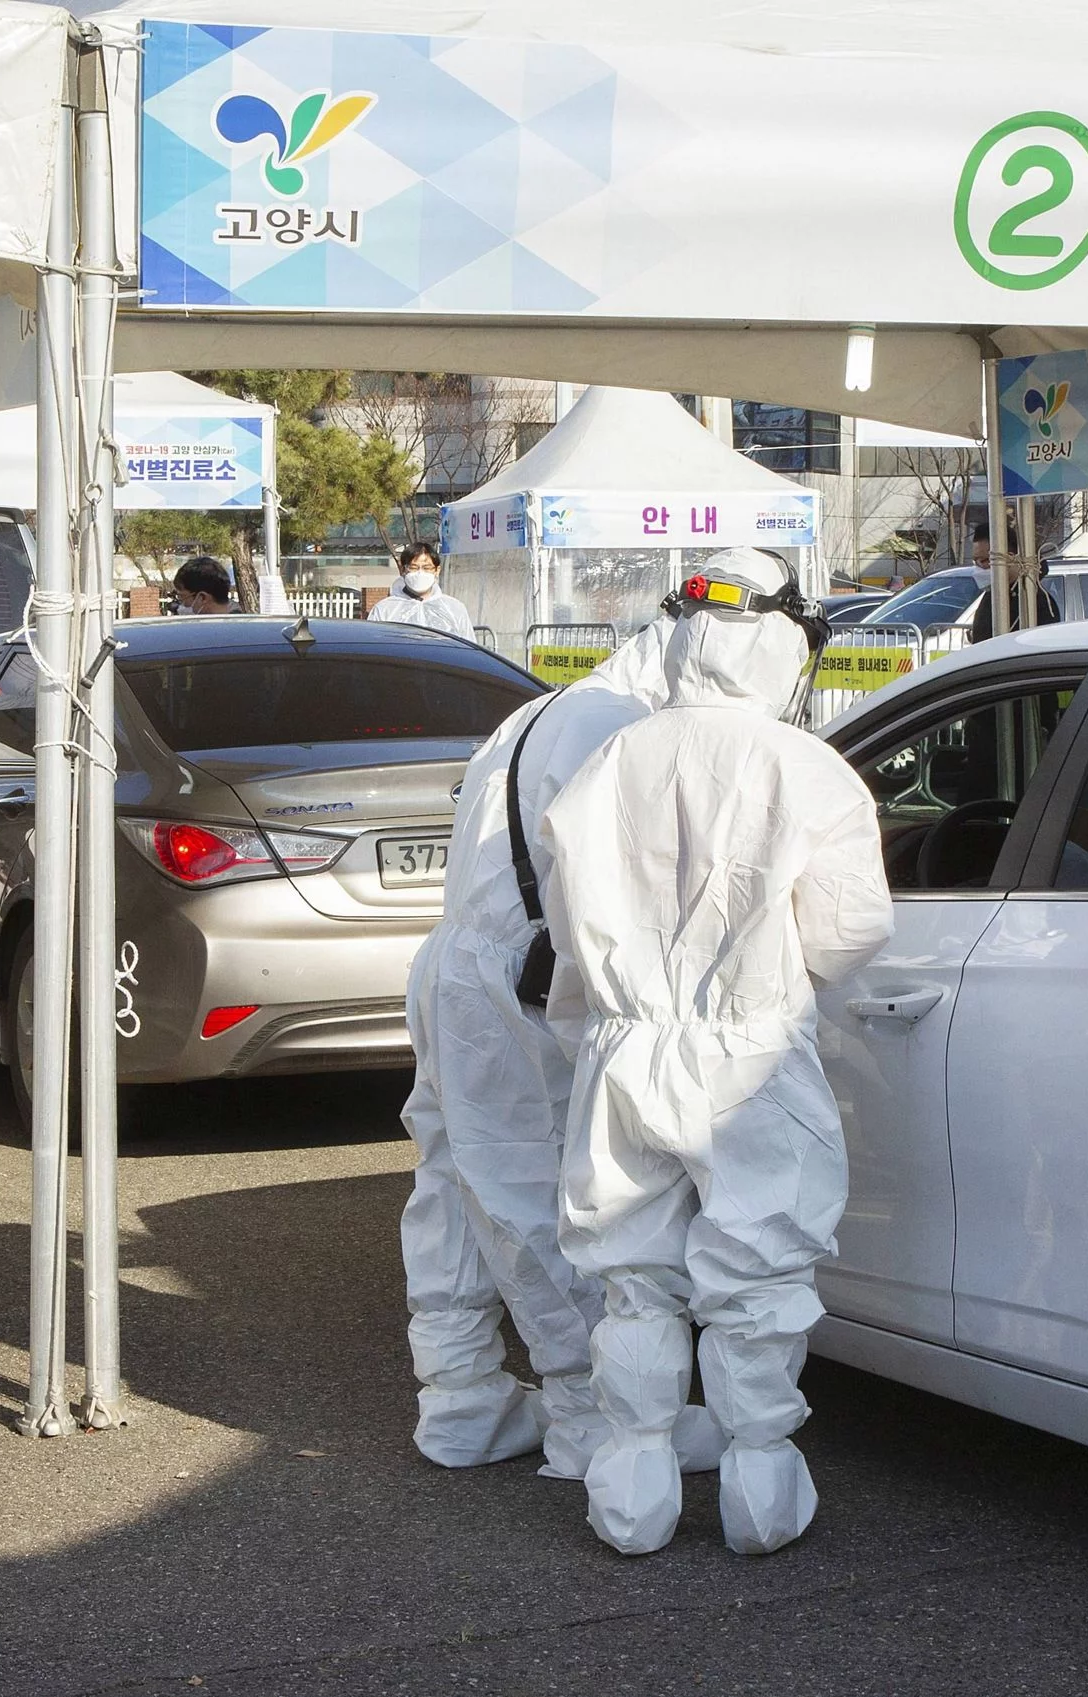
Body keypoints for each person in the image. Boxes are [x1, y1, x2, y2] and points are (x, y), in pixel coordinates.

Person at [541, 547, 893, 1557]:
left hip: (623, 1048)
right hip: (748, 1050)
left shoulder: (609, 760)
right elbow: (849, 930)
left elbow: (567, 929)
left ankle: (634, 1491)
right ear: (781, 639)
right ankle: (759, 1487)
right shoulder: (804, 766)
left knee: (632, 1273)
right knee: (758, 1272)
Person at [400, 617, 713, 1477]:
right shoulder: (617, 724)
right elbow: (615, 884)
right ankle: (591, 1417)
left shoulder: (543, 710)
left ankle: (461, 1397)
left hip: (456, 966)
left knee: (456, 1184)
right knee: (536, 1196)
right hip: (518, 978)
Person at [369, 543, 476, 640]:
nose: (420, 573)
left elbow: (470, 647)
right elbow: (372, 645)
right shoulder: (385, 609)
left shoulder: (454, 608)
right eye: (414, 567)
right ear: (403, 570)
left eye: (427, 568)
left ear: (437, 570)